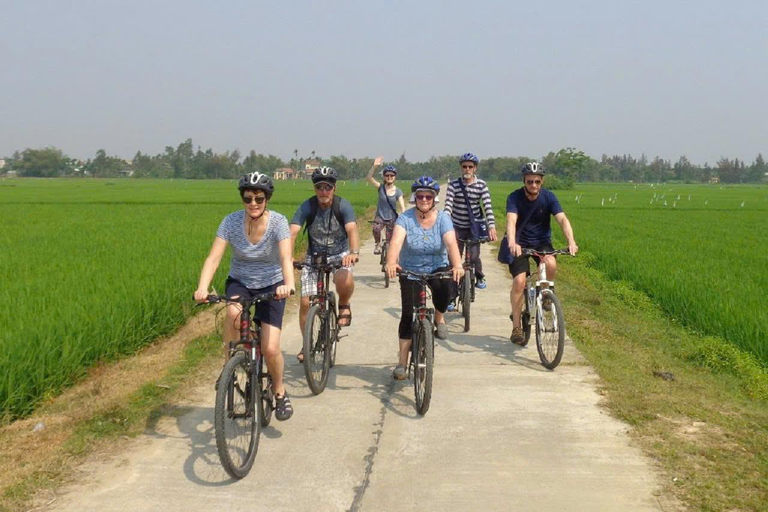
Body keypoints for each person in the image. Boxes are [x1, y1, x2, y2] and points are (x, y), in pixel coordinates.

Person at [194, 172, 296, 421]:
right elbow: (214, 257)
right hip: (240, 282)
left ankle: (280, 391)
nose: (253, 203)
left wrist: (289, 284)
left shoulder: (279, 222)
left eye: (259, 199)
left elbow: (285, 257)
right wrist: (202, 287)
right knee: (232, 312)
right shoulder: (230, 222)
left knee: (271, 349)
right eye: (247, 198)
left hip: (272, 285)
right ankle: (229, 367)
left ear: (267, 199)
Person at [385, 176, 464, 380]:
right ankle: (402, 362)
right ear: (415, 197)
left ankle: (439, 317)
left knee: (446, 291)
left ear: (434, 198)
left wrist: (457, 264)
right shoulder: (405, 218)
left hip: (437, 267)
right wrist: (392, 262)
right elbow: (396, 241)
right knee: (407, 313)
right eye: (420, 195)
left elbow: (451, 243)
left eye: (428, 196)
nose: (424, 199)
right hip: (410, 269)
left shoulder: (443, 218)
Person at [290, 166, 360, 361]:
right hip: (315, 256)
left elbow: (352, 229)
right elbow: (293, 231)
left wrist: (353, 253)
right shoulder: (308, 206)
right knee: (305, 302)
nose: (323, 191)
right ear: (315, 189)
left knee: (344, 278)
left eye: (327, 187)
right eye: (319, 187)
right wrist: (287, 257)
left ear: (334, 188)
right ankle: (307, 344)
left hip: (340, 255)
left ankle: (344, 304)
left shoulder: (342, 206)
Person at [505, 162, 578, 345]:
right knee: (520, 281)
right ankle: (516, 327)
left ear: (542, 181)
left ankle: (546, 293)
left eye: (537, 181)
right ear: (524, 181)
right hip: (520, 243)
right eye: (530, 182)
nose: (534, 185)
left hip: (542, 242)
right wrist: (512, 242)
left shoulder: (549, 197)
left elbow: (562, 219)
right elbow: (511, 220)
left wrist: (571, 241)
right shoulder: (514, 197)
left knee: (551, 264)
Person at [443, 153, 497, 312]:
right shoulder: (454, 185)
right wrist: (445, 224)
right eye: (464, 166)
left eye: (470, 167)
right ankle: (451, 298)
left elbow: (487, 206)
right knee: (454, 263)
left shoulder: (481, 185)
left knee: (473, 257)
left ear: (475, 168)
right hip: (457, 227)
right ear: (461, 167)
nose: (467, 169)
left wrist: (491, 226)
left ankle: (479, 275)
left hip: (474, 228)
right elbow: (448, 206)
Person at [366, 157, 406, 255]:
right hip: (380, 216)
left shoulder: (398, 191)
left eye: (392, 175)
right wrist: (374, 166)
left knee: (390, 241)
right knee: (376, 229)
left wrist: (403, 217)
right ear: (384, 177)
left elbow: (402, 207)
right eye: (387, 175)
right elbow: (369, 178)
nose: (389, 177)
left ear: (395, 177)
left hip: (392, 219)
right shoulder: (381, 188)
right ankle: (377, 244)